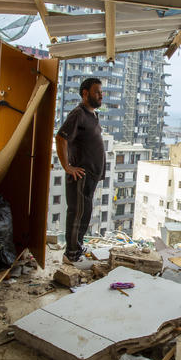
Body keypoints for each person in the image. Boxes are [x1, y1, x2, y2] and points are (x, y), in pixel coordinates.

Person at [55, 78, 106, 264]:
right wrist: (67, 166)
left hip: (90, 177)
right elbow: (61, 138)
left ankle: (76, 247)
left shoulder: (92, 115)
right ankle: (71, 255)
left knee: (84, 214)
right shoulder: (78, 114)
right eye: (97, 92)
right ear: (85, 93)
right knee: (77, 214)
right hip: (81, 177)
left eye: (101, 92)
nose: (101, 95)